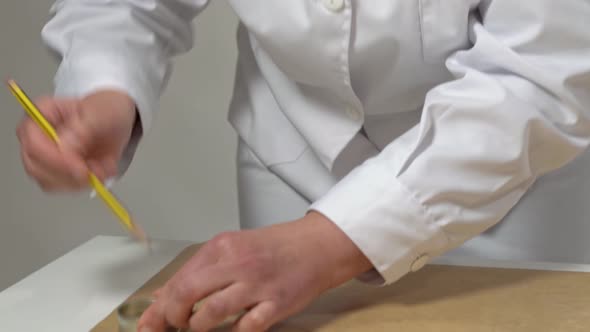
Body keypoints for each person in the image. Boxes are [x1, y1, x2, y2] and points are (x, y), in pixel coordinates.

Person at [15, 1, 590, 331]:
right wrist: (106, 85)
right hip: (297, 158)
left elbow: (538, 74)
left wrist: (332, 241)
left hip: (510, 183)